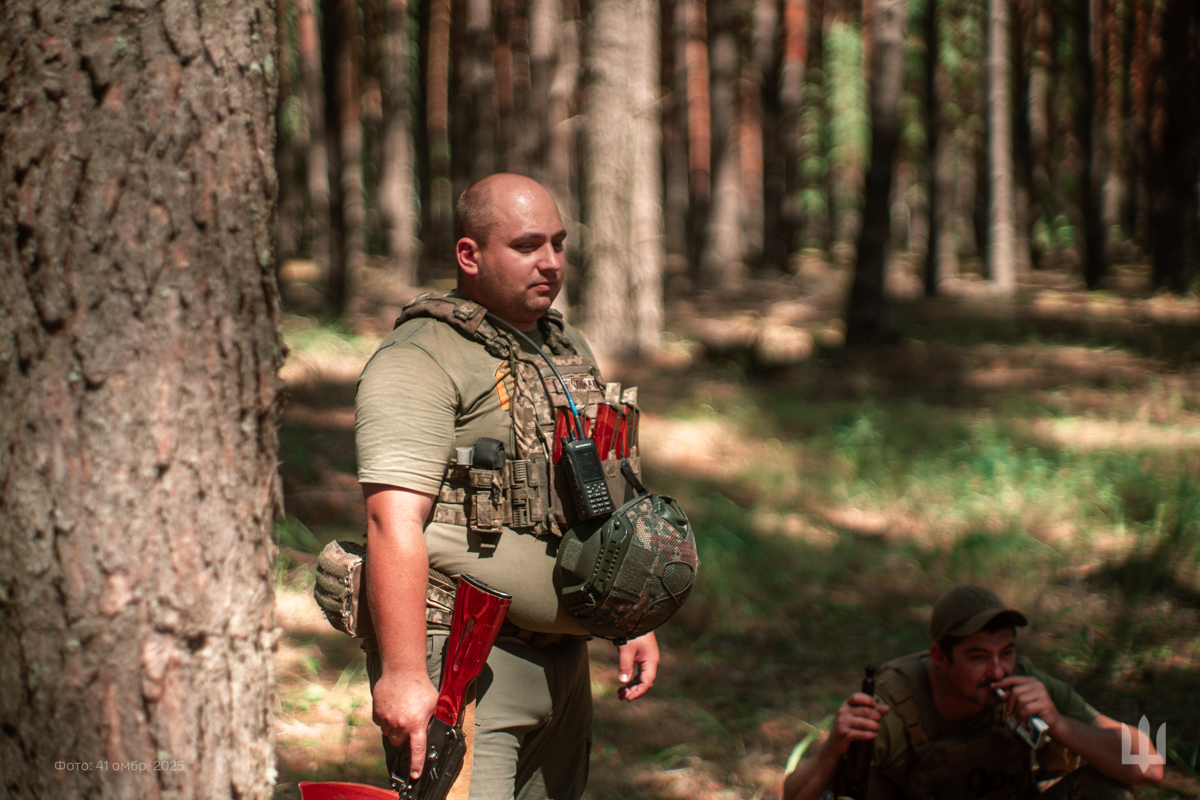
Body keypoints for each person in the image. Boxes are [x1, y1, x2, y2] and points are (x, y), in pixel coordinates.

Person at [355, 173, 660, 800]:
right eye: (526, 246)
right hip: (466, 663)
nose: (551, 263)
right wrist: (404, 674)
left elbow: (598, 492)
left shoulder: (563, 348)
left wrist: (631, 617)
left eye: (558, 243)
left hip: (565, 663)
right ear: (469, 255)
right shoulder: (421, 356)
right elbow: (391, 521)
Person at [782, 584, 1165, 800]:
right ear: (940, 657)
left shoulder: (1029, 688)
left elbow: (1150, 766)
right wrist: (831, 749)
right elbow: (796, 796)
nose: (997, 671)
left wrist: (1060, 725)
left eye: (1007, 653)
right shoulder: (893, 710)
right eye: (978, 657)